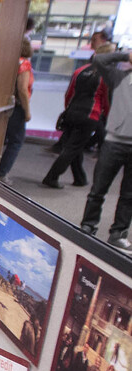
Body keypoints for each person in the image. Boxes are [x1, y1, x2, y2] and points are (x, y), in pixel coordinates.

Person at [79, 48, 132, 251]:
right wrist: (125, 55)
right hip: (114, 142)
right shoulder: (118, 77)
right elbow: (99, 59)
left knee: (129, 194)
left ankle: (118, 233)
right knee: (98, 189)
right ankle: (88, 226)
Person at [42, 43, 112, 189]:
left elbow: (69, 94)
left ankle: (80, 178)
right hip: (90, 115)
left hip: (72, 112)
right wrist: (107, 115)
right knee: (73, 148)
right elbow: (106, 100)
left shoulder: (79, 71)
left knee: (75, 146)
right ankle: (51, 177)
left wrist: (68, 109)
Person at [0, 39, 34, 184]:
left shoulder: (8, 61)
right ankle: (2, 172)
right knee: (16, 141)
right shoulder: (24, 64)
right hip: (16, 107)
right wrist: (27, 111)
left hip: (4, 104)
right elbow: (23, 89)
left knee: (1, 139)